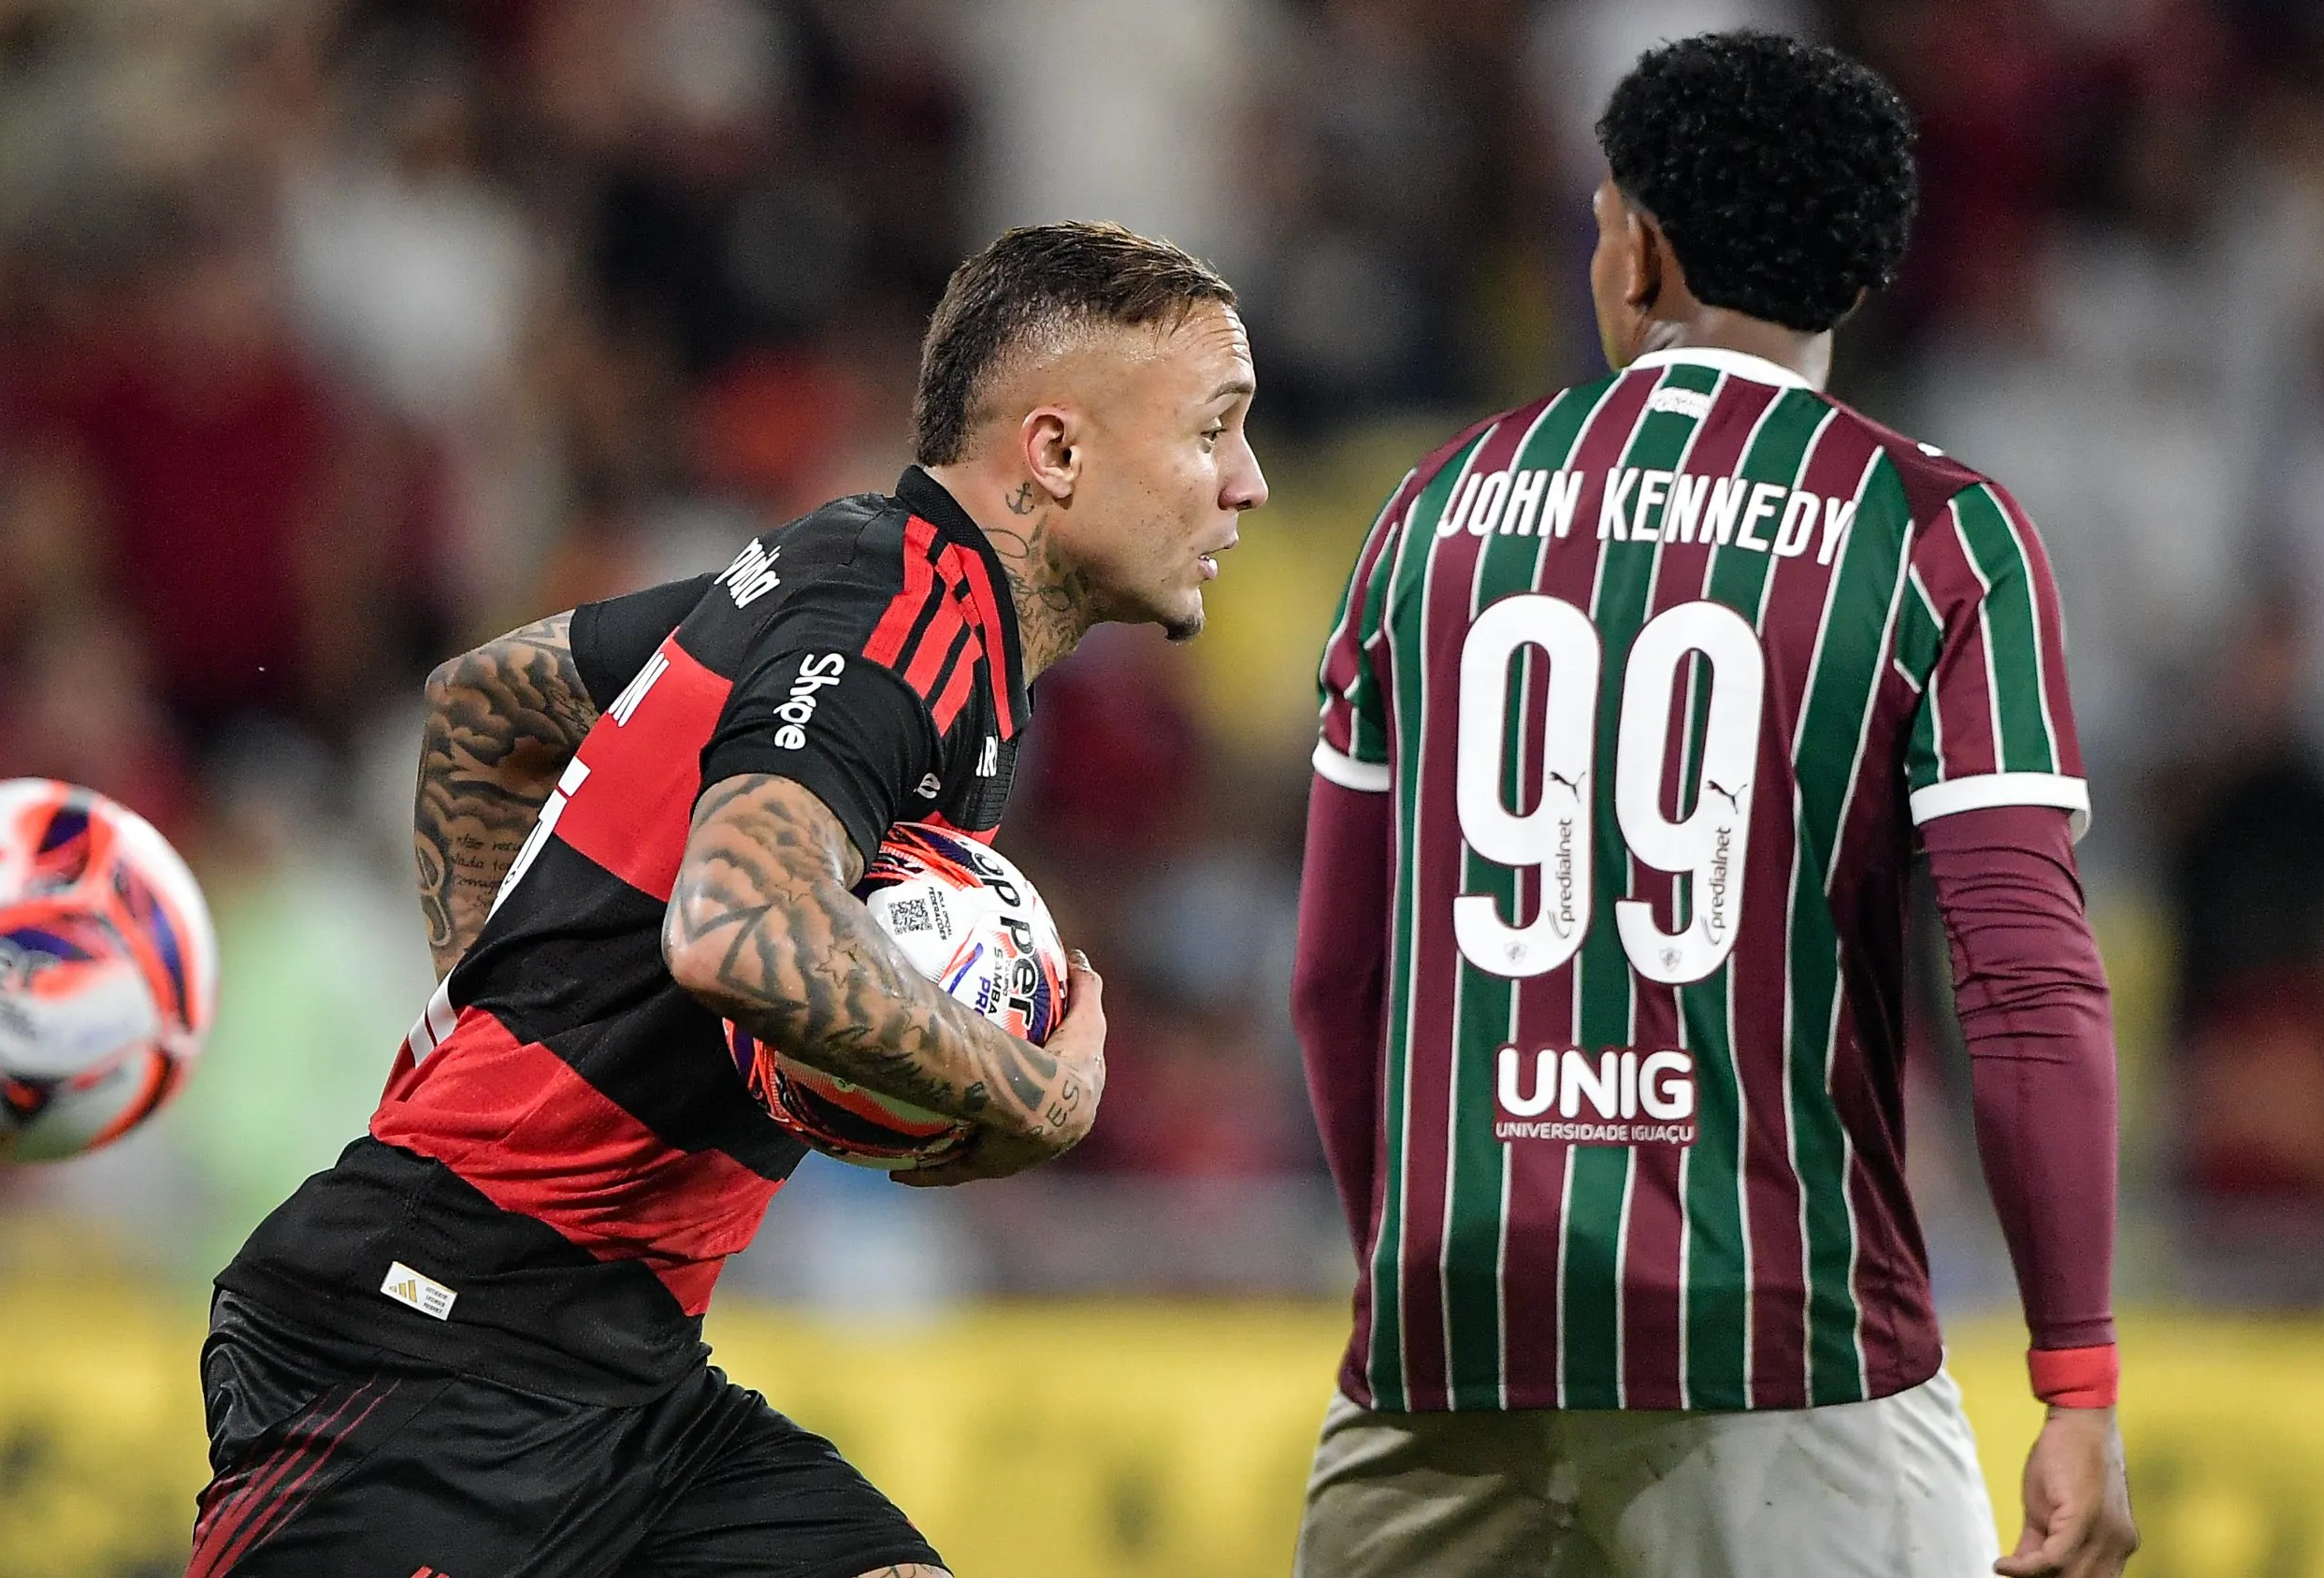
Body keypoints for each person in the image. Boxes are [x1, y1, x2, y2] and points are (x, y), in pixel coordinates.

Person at [184, 221, 1264, 1577]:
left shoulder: (857, 580)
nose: (1250, 485)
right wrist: (1025, 1090)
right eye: (1216, 430)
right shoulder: (897, 616)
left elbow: (485, 705)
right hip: (435, 1350)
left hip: (625, 1370)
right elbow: (738, 930)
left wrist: (494, 1000)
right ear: (1055, 453)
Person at [1290, 33, 2137, 1578]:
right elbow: (2023, 978)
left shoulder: (1426, 513)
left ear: (1640, 248)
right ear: (1859, 277)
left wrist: (1413, 1275)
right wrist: (2074, 1372)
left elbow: (1338, 974)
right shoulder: (1936, 534)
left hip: (1439, 1358)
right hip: (1785, 1357)